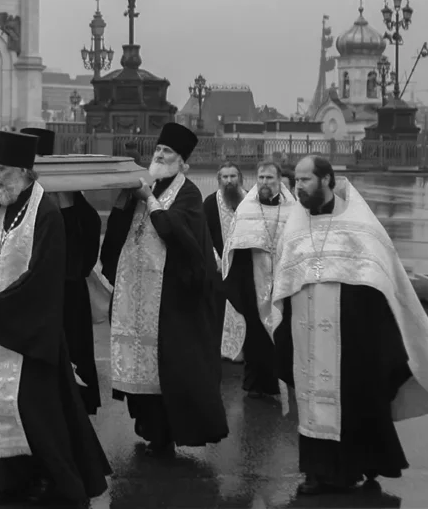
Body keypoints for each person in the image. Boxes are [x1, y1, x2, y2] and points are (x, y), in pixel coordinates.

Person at [267, 155, 428, 495]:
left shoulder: (360, 224)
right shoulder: (295, 224)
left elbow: (381, 283)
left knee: (355, 403)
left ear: (328, 180)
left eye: (305, 180)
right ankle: (317, 472)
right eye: (295, 181)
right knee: (311, 404)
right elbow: (285, 281)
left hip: (352, 339)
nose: (297, 187)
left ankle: (357, 467)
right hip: (306, 336)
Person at [0, 130, 111, 507]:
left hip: (27, 334)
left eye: (2, 170)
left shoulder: (46, 213)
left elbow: (43, 279)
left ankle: (67, 490)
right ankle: (13, 485)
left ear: (25, 171)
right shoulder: (3, 206)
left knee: (38, 419)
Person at [100, 122, 228, 456]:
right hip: (136, 292)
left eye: (167, 151)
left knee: (169, 368)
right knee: (141, 365)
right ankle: (149, 426)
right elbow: (116, 235)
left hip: (171, 296)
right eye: (158, 149)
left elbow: (179, 235)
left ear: (182, 162)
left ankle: (167, 434)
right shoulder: (144, 185)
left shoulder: (187, 193)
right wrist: (123, 202)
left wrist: (151, 202)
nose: (159, 154)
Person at [21, 126, 102, 415]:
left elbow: (88, 234)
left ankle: (74, 404)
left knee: (72, 346)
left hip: (67, 289)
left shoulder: (73, 200)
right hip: (31, 289)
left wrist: (66, 202)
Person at [222, 160, 296, 397]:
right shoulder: (247, 208)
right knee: (256, 335)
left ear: (279, 180)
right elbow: (235, 246)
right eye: (261, 178)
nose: (265, 182)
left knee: (283, 331)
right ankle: (256, 385)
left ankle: (283, 380)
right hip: (253, 281)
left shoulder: (293, 209)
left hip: (284, 281)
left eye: (270, 178)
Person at [201, 161, 247, 360]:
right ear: (219, 180)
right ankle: (221, 352)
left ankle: (245, 352)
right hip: (220, 269)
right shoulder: (210, 203)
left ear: (240, 178)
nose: (229, 181)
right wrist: (217, 260)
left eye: (233, 176)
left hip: (245, 268)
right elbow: (204, 235)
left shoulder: (249, 201)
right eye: (225, 177)